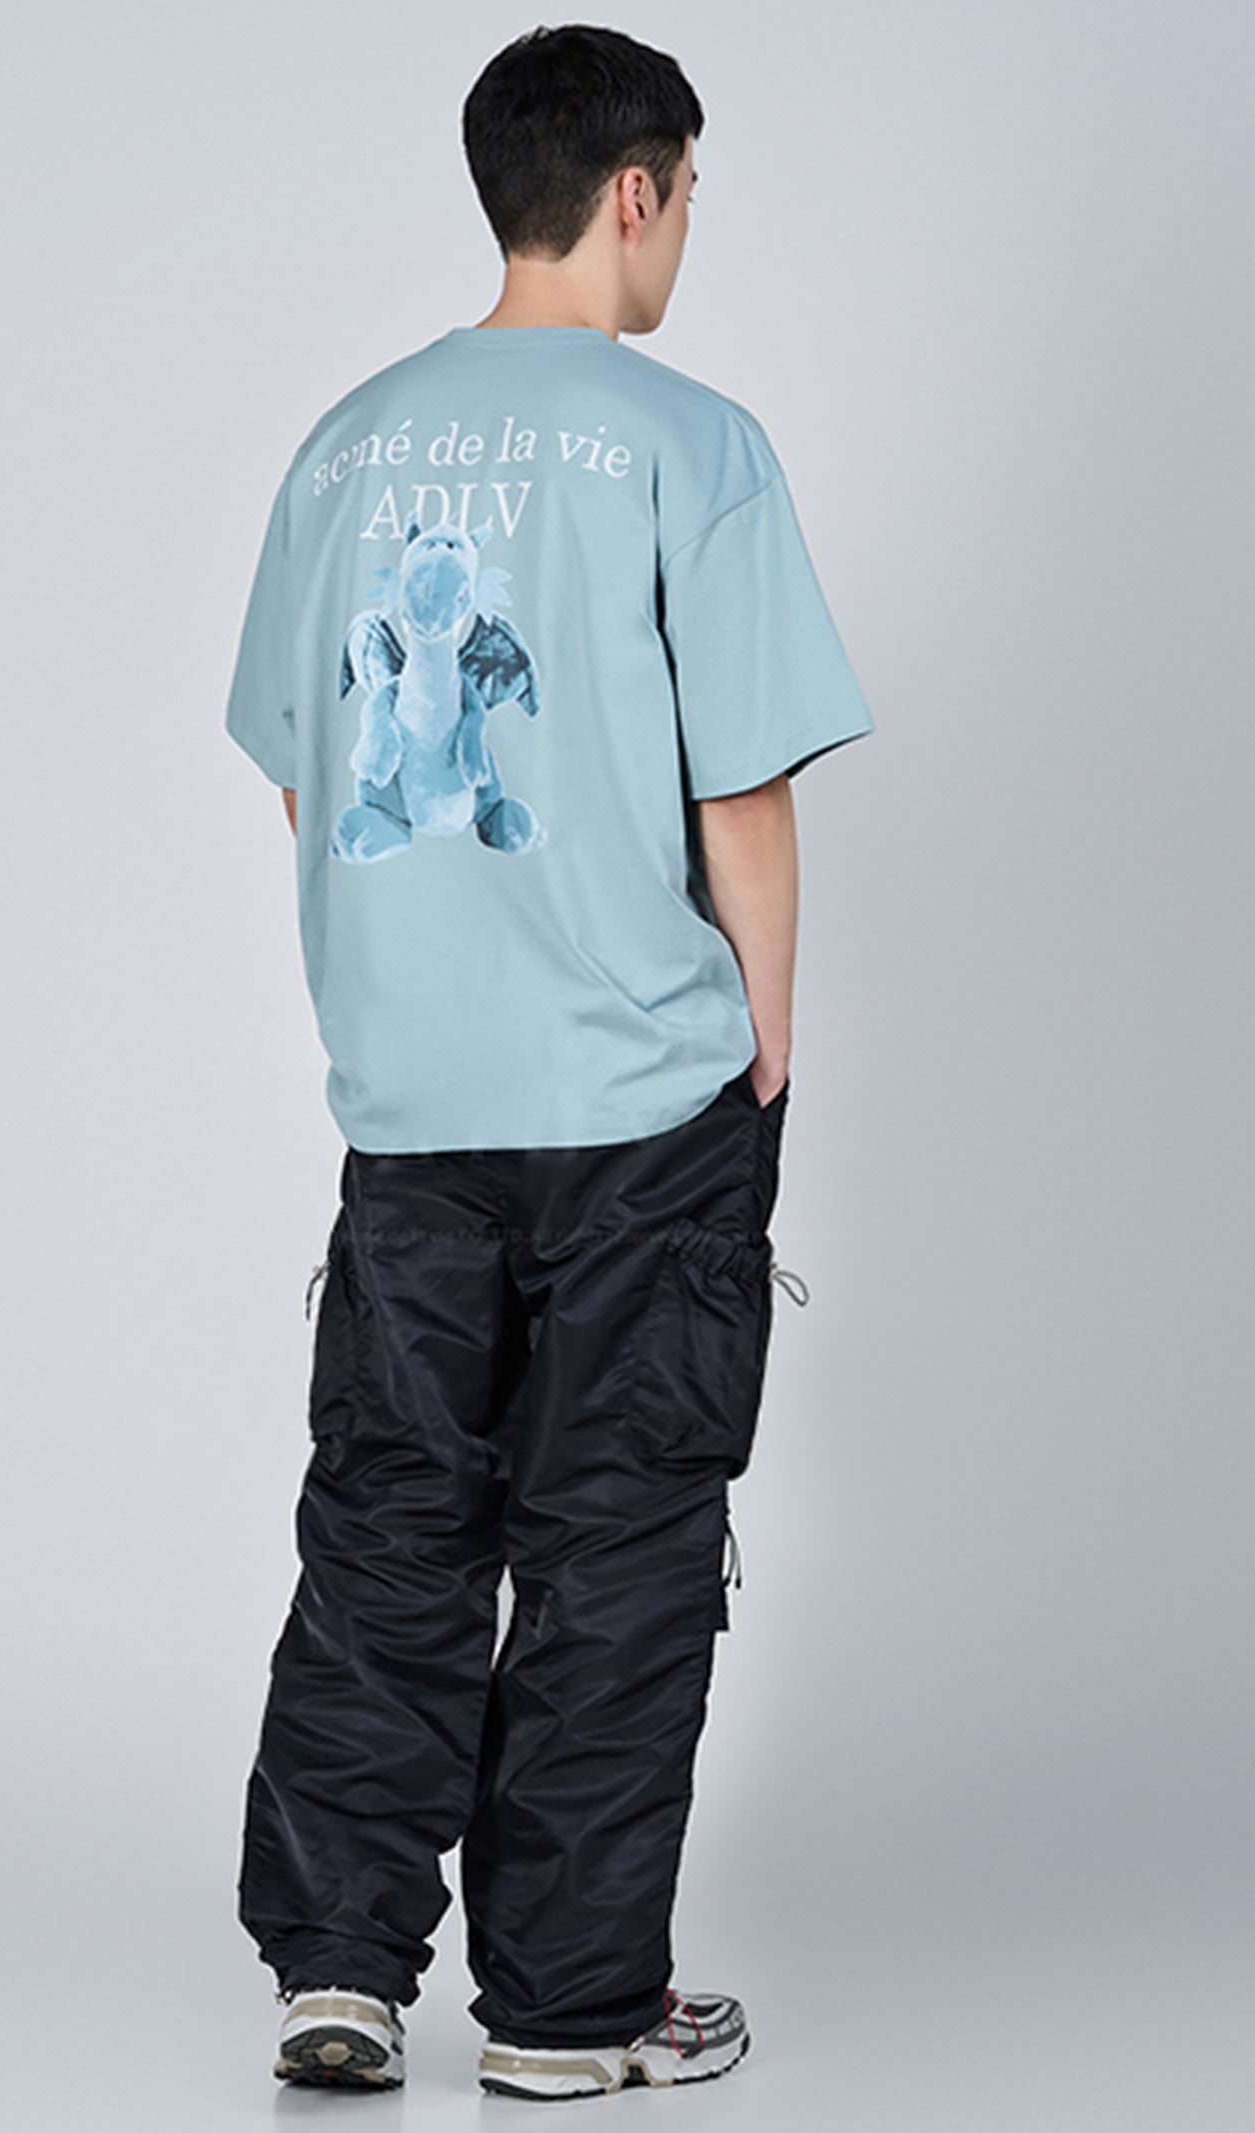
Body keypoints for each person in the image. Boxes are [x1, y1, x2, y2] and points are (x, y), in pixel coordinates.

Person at [222, 22, 873, 2103]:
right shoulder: (691, 442)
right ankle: (567, 2015)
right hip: (639, 1099)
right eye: (687, 196)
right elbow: (741, 787)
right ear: (635, 190)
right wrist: (768, 1035)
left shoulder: (342, 448)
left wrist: (404, 985)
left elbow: (307, 772)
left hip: (411, 1101)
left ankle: (337, 1968)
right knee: (617, 1546)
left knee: (388, 1522)